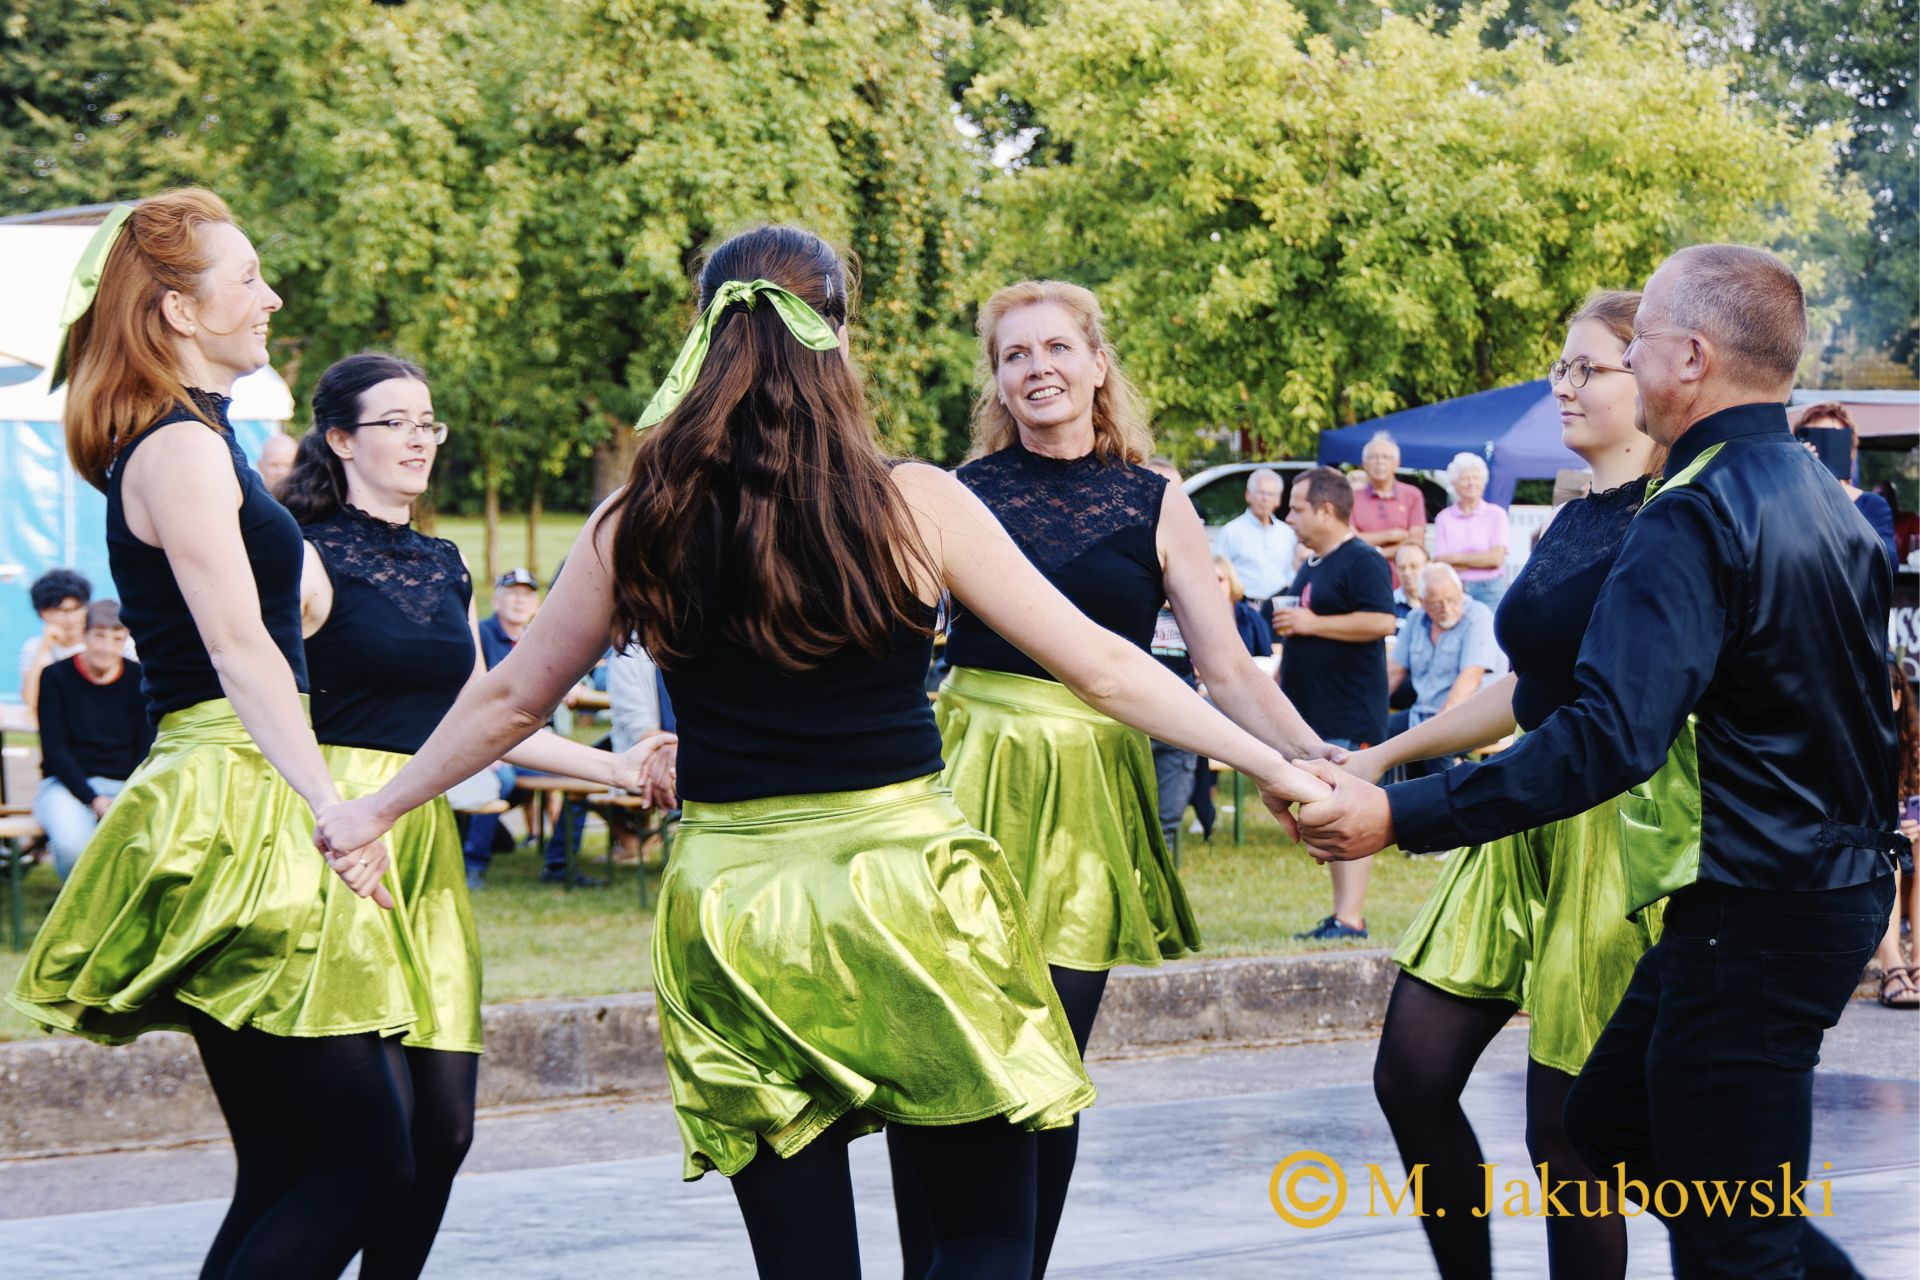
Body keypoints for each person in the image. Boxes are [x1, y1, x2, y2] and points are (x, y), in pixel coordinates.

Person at [311, 226, 1327, 1280]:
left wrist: (377, 807)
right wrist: (1282, 770)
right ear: (839, 333)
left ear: (704, 337)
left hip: (732, 898)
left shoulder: (641, 512)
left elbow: (515, 695)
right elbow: (1107, 667)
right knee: (984, 1233)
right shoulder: (915, 498)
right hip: (904, 885)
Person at [1298, 247, 1904, 1280]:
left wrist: (1402, 815)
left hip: (1758, 904)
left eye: (1635, 343)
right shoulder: (1827, 503)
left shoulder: (1692, 511)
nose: (1575, 383)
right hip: (1811, 888)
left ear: (1689, 359)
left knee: (1733, 1232)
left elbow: (1609, 737)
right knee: (1617, 1118)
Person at [7, 188, 419, 1280]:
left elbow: (303, 612)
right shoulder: (180, 450)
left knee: (291, 1164)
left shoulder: (209, 444)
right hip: (240, 790)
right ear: (180, 312)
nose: (271, 295)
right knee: (373, 1157)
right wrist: (337, 807)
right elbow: (244, 653)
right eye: (248, 277)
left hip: (246, 777)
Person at [930, 278, 1338, 1277]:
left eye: (1058, 347)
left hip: (1089, 794)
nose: (1039, 368)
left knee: (1050, 1058)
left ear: (1098, 363)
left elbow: (1227, 667)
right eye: (1016, 353)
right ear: (996, 377)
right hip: (968, 773)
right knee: (951, 1053)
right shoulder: (959, 490)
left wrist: (1311, 756)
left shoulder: (1156, 496)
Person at [282, 351, 666, 1276]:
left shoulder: (444, 564)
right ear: (340, 440)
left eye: (429, 422)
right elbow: (256, 702)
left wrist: (615, 765)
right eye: (395, 422)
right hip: (334, 841)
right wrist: (335, 813)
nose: (420, 438)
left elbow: (484, 717)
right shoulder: (298, 554)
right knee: (369, 1147)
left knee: (445, 1129)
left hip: (420, 844)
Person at [1317, 290, 1668, 1278]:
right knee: (1412, 1073)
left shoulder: (1673, 519)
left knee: (1569, 1144)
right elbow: (1527, 687)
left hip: (1619, 828)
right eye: (1560, 365)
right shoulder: (1574, 514)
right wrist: (1382, 754)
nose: (1562, 385)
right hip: (1525, 813)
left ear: (1653, 376)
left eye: (1585, 368)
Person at [1273, 466, 1396, 941]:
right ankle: (1341, 915)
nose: (1289, 518)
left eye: (1298, 508)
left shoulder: (1362, 559)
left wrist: (1310, 625)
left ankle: (1351, 918)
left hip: (1350, 710)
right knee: (1329, 811)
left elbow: (1382, 621)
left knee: (1350, 809)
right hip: (1315, 713)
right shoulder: (1314, 562)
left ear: (1326, 510)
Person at [460, 567, 593, 888]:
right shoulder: (480, 637)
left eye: (527, 595)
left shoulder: (541, 639)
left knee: (585, 777)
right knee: (499, 779)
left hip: (534, 743)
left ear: (537, 604)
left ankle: (559, 862)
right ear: (495, 599)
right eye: (512, 593)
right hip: (488, 745)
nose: (520, 601)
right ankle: (473, 864)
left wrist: (567, 684)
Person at [31, 600, 152, 878]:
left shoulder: (140, 679)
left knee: (149, 844)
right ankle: (79, 914)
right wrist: (93, 798)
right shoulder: (55, 677)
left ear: (126, 640)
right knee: (73, 846)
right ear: (84, 635)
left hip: (127, 784)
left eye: (117, 638)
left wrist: (127, 793)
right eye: (99, 636)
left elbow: (146, 746)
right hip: (67, 785)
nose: (106, 648)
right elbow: (54, 749)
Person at [1383, 562, 1505, 786]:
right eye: (1437, 604)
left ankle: (1442, 813)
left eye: (1452, 599)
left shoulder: (1478, 616)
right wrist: (1371, 713)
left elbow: (1470, 678)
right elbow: (1394, 671)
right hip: (1424, 713)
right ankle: (1389, 801)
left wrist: (1435, 729)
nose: (1447, 608)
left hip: (1473, 715)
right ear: (1422, 602)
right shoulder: (1415, 620)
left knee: (1435, 747)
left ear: (1461, 591)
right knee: (1382, 729)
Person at [1792, 402, 1896, 567]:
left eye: (1835, 442)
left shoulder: (1873, 504)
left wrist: (1836, 494)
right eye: (1815, 440)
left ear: (1850, 451)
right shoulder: (1789, 502)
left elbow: (1889, 562)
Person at [1873, 654, 1919, 1008]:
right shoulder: (1853, 741)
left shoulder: (1914, 747)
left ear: (1899, 696)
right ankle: (1892, 965)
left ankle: (1918, 961)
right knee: (1892, 848)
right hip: (1870, 850)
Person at [1212, 466, 1297, 617]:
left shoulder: (1288, 533)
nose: (1265, 498)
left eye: (1270, 494)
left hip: (1279, 611)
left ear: (1278, 500)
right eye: (1260, 492)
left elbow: (1292, 572)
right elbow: (1217, 574)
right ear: (1248, 495)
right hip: (1245, 610)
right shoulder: (1231, 532)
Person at [1351, 430, 1428, 589]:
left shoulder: (1412, 495)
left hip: (1404, 584)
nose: (1379, 462)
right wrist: (1393, 535)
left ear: (1396, 463)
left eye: (1385, 457)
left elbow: (1415, 542)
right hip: (1362, 578)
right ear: (1364, 463)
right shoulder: (1351, 497)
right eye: (1373, 457)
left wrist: (1375, 550)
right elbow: (1349, 541)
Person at [18, 568, 91, 719]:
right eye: (60, 610)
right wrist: (45, 648)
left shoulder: (107, 641)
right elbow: (31, 700)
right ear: (42, 613)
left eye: (76, 609)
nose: (70, 618)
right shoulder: (34, 647)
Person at [1213, 555, 1273, 658]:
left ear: (1231, 581)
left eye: (1220, 579)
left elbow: (1266, 653)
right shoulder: (1195, 617)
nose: (1215, 585)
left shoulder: (1250, 615)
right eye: (1211, 581)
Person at [1875, 480, 1919, 562]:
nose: (1884, 501)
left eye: (1889, 497)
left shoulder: (1911, 520)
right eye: (1879, 497)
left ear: (1895, 500)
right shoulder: (1868, 524)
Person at [1391, 542, 1429, 618]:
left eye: (1414, 566)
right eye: (1401, 568)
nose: (1407, 573)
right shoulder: (1388, 605)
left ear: (1428, 566)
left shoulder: (1441, 603)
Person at [256, 430, 298, 495]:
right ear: (260, 466)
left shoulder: (306, 501)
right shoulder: (249, 500)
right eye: (274, 465)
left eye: (287, 465)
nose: (281, 472)